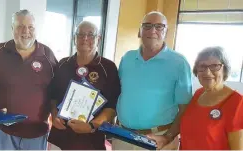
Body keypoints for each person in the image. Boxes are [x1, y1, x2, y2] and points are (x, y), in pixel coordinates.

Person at [114, 11, 192, 150]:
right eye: (147, 26)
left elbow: (185, 109)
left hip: (158, 140)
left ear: (166, 31)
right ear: (140, 31)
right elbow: (120, 93)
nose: (153, 30)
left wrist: (167, 137)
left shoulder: (179, 63)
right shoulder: (127, 58)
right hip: (122, 137)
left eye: (159, 26)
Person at [0, 9, 57, 150]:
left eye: (30, 27)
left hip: (36, 133)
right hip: (2, 131)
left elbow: (57, 91)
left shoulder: (47, 55)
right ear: (12, 28)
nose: (26, 31)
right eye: (20, 26)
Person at [47, 21, 121, 150]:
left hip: (91, 140)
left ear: (98, 38)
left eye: (90, 35)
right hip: (60, 137)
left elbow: (112, 106)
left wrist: (92, 126)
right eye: (80, 34)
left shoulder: (108, 68)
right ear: (74, 38)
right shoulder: (63, 64)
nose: (85, 38)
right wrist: (54, 115)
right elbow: (53, 96)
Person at [180, 47, 243, 150]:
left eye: (214, 66)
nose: (207, 72)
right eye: (202, 66)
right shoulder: (198, 93)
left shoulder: (237, 102)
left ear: (225, 69)